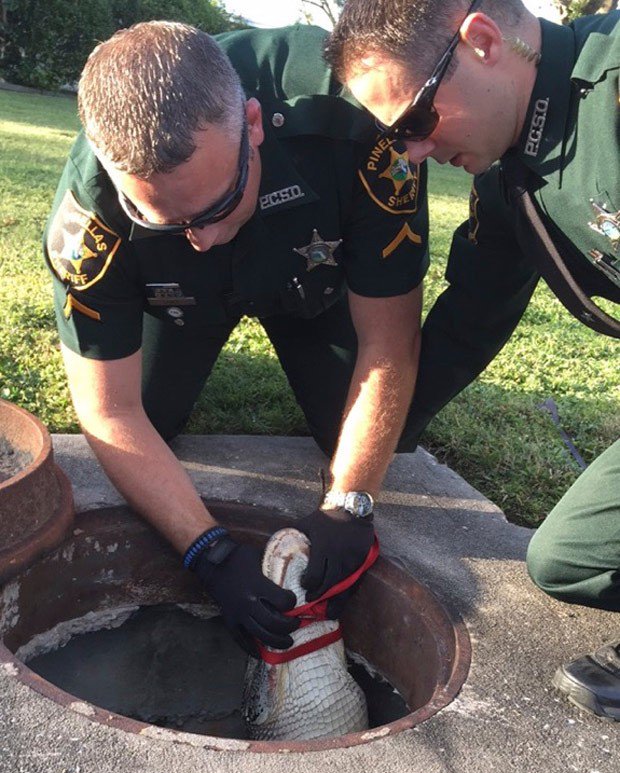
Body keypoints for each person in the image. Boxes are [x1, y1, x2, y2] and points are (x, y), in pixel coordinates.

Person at [44, 20, 429, 655]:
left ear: (253, 124)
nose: (201, 239)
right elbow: (109, 409)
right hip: (179, 303)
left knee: (362, 433)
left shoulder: (362, 122)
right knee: (152, 418)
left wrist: (350, 502)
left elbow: (389, 344)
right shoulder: (90, 216)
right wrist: (209, 550)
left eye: (216, 207)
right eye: (163, 221)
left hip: (311, 282)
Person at [328, 0, 620, 721]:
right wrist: (356, 468)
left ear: (481, 40)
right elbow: (468, 322)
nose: (412, 152)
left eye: (415, 119)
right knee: (569, 561)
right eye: (395, 136)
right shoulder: (508, 179)